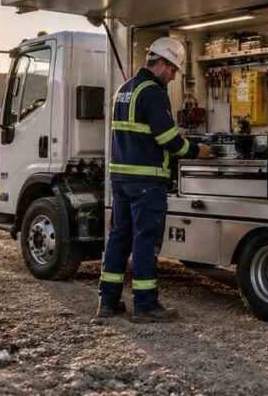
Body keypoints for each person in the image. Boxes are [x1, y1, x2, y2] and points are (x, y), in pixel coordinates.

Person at [97, 37, 213, 323]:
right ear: (159, 63)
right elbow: (168, 140)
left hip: (122, 180)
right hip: (147, 182)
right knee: (145, 241)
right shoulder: (153, 92)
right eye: (172, 69)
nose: (173, 76)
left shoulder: (123, 89)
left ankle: (107, 302)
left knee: (119, 239)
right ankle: (146, 305)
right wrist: (198, 150)